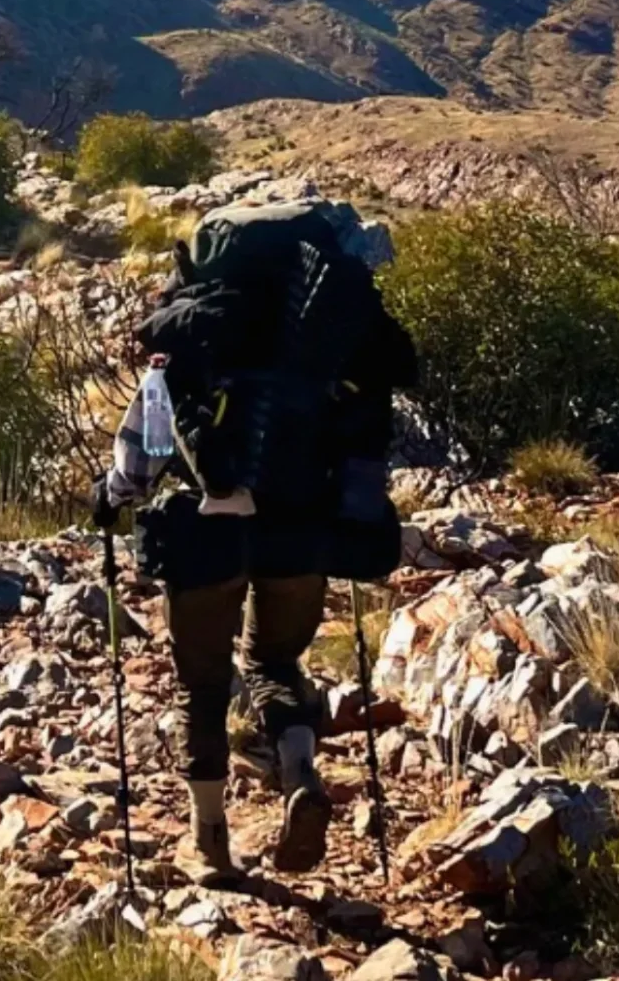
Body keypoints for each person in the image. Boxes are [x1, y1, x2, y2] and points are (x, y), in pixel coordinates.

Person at [95, 197, 417, 883]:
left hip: (203, 533)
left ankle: (209, 842)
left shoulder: (190, 333)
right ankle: (299, 775)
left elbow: (142, 453)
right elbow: (365, 435)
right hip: (300, 521)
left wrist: (112, 497)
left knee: (202, 686)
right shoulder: (328, 335)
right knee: (275, 664)